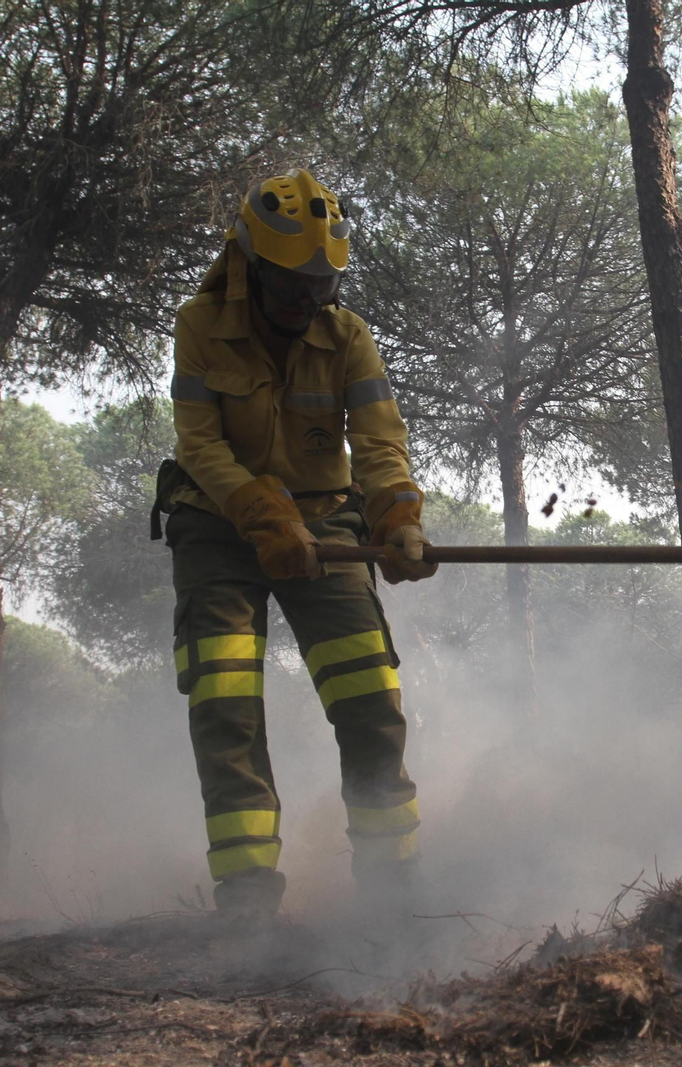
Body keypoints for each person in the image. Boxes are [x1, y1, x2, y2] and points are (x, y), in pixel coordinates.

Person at [155, 171, 435, 919]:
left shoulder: (347, 337)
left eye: (322, 285)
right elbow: (199, 444)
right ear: (248, 265)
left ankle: (392, 893)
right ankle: (246, 905)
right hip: (215, 521)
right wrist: (259, 512)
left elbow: (379, 442)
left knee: (370, 698)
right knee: (227, 705)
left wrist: (398, 516)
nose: (307, 303)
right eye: (291, 288)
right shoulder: (199, 325)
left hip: (326, 521)